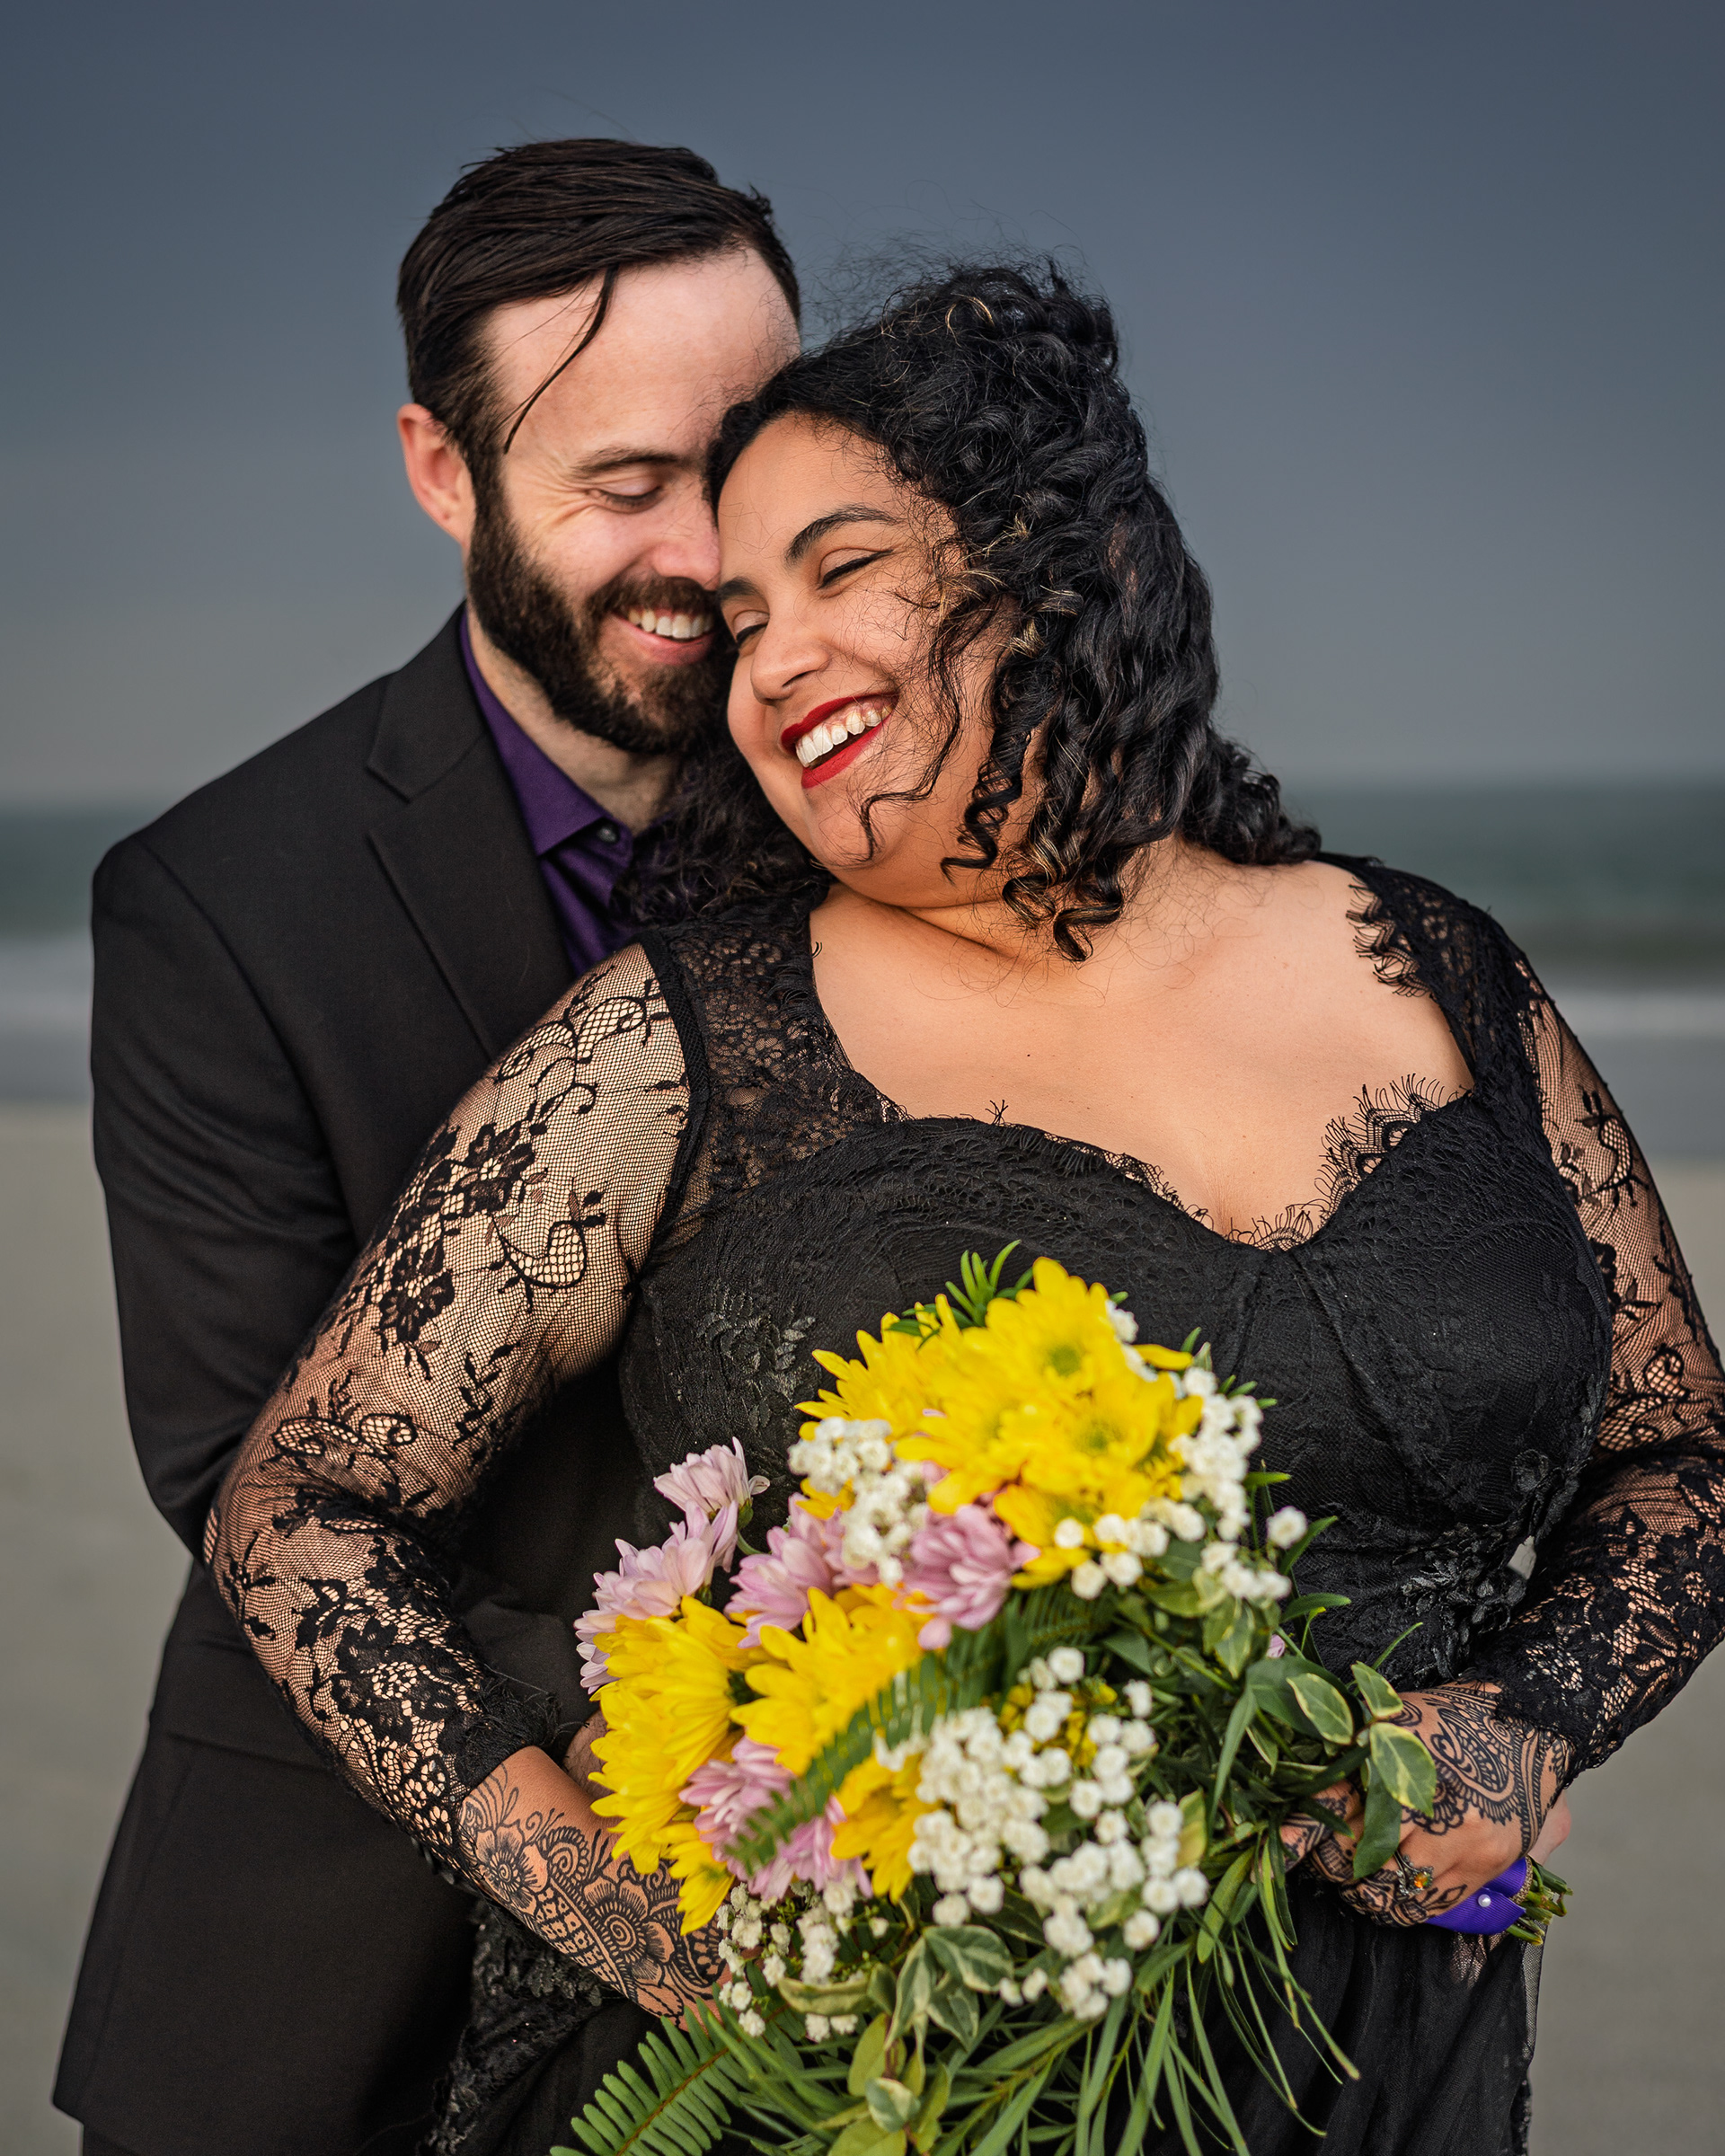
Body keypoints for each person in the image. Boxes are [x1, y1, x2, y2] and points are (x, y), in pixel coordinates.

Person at [202, 265, 1725, 2156]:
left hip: (1382, 2080)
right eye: (741, 619)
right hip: (854, 2101)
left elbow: (1678, 1453)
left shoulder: (1442, 973)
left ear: (1049, 568)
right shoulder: (681, 1046)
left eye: (841, 571)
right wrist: (610, 1903)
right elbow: (302, 1505)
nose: (767, 662)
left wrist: (1530, 1718)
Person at [56, 139, 800, 2156]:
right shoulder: (217, 902)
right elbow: (240, 1471)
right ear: (438, 472)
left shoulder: (892, 831)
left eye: (745, 463)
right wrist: (729, 1723)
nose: (702, 546)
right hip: (326, 1966)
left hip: (825, 1975)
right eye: (624, 484)